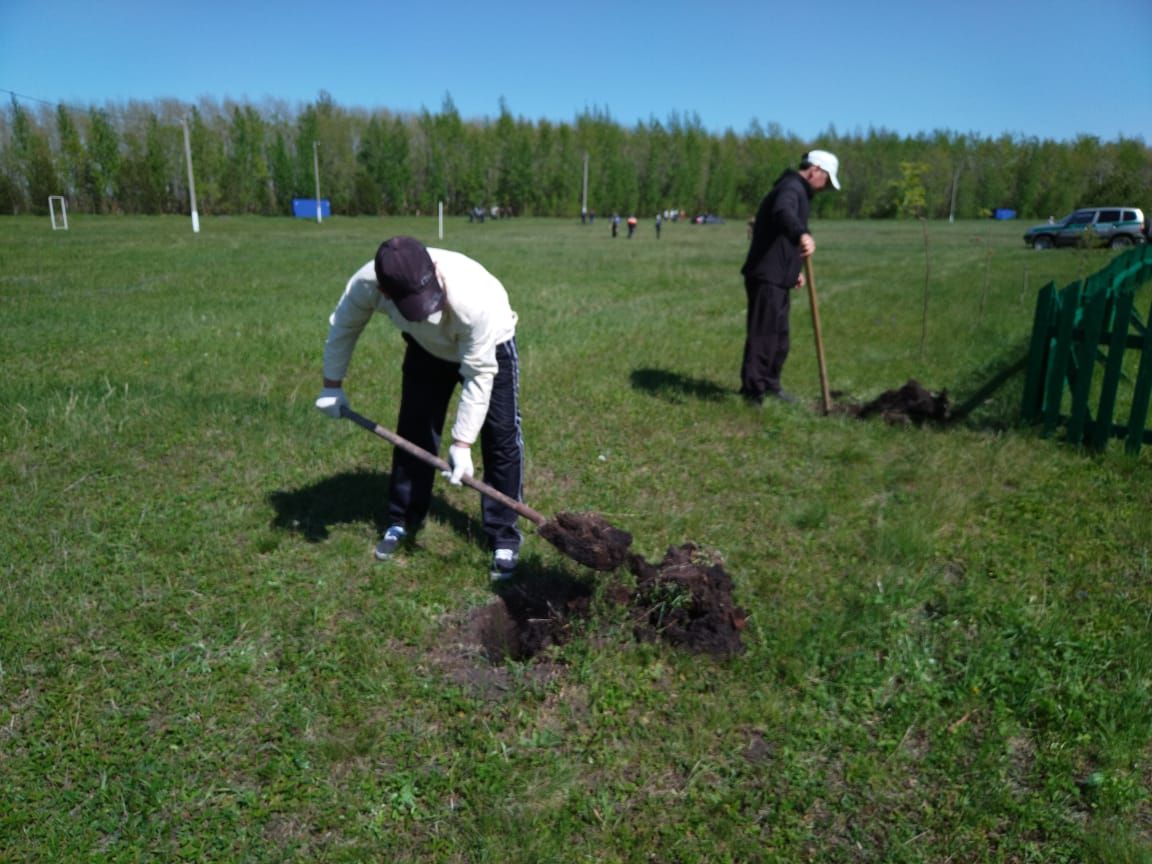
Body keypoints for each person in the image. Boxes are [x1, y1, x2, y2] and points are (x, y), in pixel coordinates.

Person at [315, 236, 524, 581]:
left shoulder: (476, 300)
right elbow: (344, 327)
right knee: (414, 429)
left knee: (500, 437)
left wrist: (461, 444)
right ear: (385, 293)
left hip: (490, 346)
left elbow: (479, 374)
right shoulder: (366, 284)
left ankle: (504, 535)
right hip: (427, 350)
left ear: (434, 271)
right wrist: (331, 386)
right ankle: (402, 519)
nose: (430, 312)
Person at [739, 150, 841, 406]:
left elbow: (781, 236)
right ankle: (753, 392)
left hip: (778, 275)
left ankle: (771, 384)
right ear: (815, 169)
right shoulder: (791, 189)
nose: (825, 187)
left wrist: (793, 270)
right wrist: (802, 234)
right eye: (826, 180)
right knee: (763, 335)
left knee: (779, 336)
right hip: (766, 275)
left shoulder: (797, 190)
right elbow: (783, 214)